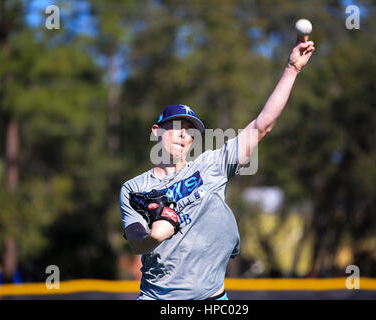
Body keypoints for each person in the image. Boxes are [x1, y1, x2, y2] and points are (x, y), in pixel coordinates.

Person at [119, 38, 315, 300]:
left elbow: (262, 125)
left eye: (189, 132)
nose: (183, 136)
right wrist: (153, 239)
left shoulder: (212, 166)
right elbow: (135, 241)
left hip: (212, 299)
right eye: (176, 127)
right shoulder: (135, 188)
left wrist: (292, 70)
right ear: (157, 132)